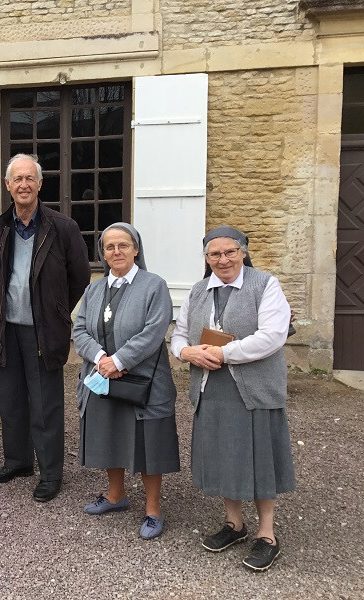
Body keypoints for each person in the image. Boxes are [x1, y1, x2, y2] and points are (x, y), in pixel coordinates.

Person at [171, 225, 295, 572]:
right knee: (225, 454)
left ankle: (267, 535)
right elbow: (178, 336)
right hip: (213, 389)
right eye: (215, 254)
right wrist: (188, 352)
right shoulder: (197, 291)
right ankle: (234, 524)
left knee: (259, 458)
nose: (223, 259)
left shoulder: (265, 284)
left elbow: (272, 336)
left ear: (243, 252)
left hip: (254, 389)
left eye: (230, 252)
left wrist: (225, 354)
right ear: (207, 258)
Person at [0, 153, 91, 502]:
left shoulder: (62, 227)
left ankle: (50, 473)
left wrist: (55, 311)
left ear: (40, 184)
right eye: (18, 179)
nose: (24, 185)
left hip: (43, 331)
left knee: (45, 404)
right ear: (8, 186)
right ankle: (17, 461)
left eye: (30, 178)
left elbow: (80, 276)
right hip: (6, 329)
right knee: (11, 400)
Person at [72, 223, 180, 540]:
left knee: (148, 441)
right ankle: (116, 495)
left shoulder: (153, 286)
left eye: (123, 245)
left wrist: (119, 361)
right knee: (109, 432)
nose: (116, 252)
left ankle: (152, 509)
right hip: (102, 375)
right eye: (109, 247)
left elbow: (154, 330)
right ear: (103, 253)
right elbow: (79, 331)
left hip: (144, 378)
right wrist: (102, 360)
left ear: (135, 249)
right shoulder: (94, 290)